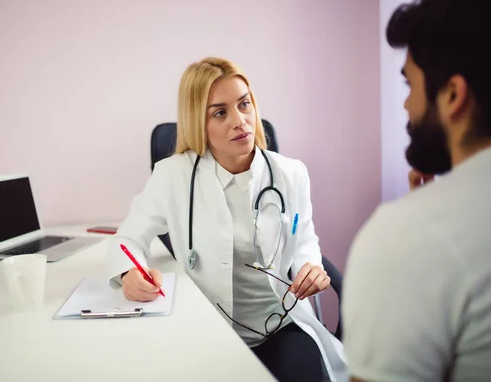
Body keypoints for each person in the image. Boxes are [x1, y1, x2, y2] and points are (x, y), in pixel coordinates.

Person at [107, 57, 347, 381]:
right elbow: (127, 240)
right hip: (207, 331)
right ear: (198, 122)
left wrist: (311, 266)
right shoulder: (172, 176)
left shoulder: (291, 174)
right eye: (220, 112)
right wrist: (128, 274)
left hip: (281, 324)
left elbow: (303, 237)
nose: (240, 121)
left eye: (244, 104)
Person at [342, 0, 491, 380]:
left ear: (453, 95)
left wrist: (420, 223)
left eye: (410, 84)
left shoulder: (403, 237)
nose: (406, 103)